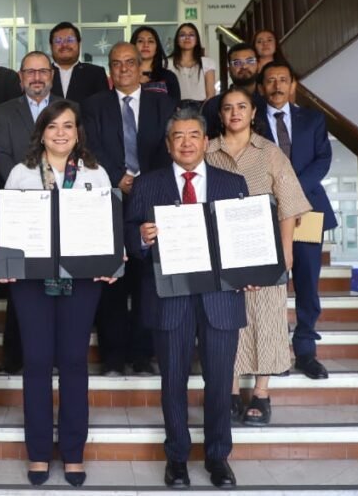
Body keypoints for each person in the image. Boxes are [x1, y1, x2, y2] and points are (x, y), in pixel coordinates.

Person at [0, 99, 119, 488]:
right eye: (53, 126)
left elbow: (109, 224)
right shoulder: (22, 172)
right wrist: (2, 261)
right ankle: (37, 451)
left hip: (81, 280)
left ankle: (72, 451)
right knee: (35, 361)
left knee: (73, 361)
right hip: (31, 282)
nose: (61, 133)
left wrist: (114, 259)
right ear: (42, 133)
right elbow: (7, 223)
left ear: (78, 132)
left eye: (68, 125)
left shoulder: (96, 173)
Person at [126, 107, 250, 489]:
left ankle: (218, 457)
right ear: (168, 144)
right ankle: (177, 458)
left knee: (220, 382)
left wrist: (251, 271)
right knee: (173, 381)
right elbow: (128, 234)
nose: (186, 143)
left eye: (193, 135)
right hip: (170, 298)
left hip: (220, 298)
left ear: (206, 141)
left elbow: (246, 238)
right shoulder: (148, 184)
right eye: (178, 136)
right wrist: (141, 238)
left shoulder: (233, 183)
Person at [206, 85, 311, 427]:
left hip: (263, 249)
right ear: (220, 115)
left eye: (242, 107)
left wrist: (286, 250)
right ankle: (231, 391)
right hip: (221, 251)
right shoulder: (208, 151)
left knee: (266, 318)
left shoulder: (270, 152)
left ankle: (262, 393)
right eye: (228, 107)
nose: (234, 113)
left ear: (253, 113)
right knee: (227, 320)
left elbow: (289, 204)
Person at [82, 42, 177, 376]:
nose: (123, 68)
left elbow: (169, 148)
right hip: (108, 201)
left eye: (129, 62)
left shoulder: (163, 104)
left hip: (151, 202)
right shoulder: (94, 105)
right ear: (110, 69)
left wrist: (144, 184)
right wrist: (116, 177)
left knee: (146, 282)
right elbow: (89, 146)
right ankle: (112, 357)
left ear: (140, 67)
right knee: (112, 282)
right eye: (116, 63)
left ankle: (141, 355)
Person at [258, 61, 337, 380]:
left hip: (308, 210)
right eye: (270, 81)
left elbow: (323, 159)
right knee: (270, 284)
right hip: (266, 210)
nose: (277, 86)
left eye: (283, 80)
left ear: (292, 85)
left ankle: (305, 350)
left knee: (306, 281)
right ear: (261, 87)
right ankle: (275, 351)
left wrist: (292, 192)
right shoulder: (252, 119)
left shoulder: (313, 119)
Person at [0, 50, 63, 375]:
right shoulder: (5, 110)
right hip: (20, 206)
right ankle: (13, 358)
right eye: (30, 72)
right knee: (21, 284)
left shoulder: (66, 108)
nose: (37, 77)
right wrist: (25, 185)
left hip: (61, 207)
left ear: (52, 75)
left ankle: (54, 357)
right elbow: (2, 154)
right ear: (20, 77)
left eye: (42, 71)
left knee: (57, 284)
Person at [201, 42, 266, 139]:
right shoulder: (213, 105)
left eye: (250, 61)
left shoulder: (268, 102)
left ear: (259, 65)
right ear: (229, 69)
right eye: (237, 63)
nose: (244, 66)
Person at [48, 21, 109, 103]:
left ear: (79, 44)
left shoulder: (96, 74)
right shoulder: (41, 74)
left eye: (70, 40)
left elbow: (104, 106)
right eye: (58, 41)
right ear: (51, 46)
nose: (64, 45)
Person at [169, 23, 216, 109]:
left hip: (201, 109)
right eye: (182, 35)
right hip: (174, 109)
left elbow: (211, 95)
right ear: (177, 40)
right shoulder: (167, 63)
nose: (187, 38)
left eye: (191, 35)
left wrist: (203, 112)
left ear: (197, 40)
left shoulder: (207, 62)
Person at [130, 25, 180, 102]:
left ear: (156, 49)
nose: (145, 45)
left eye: (150, 41)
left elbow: (175, 106)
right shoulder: (125, 76)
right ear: (133, 46)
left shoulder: (169, 77)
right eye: (140, 41)